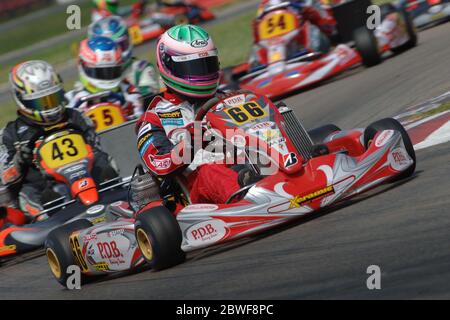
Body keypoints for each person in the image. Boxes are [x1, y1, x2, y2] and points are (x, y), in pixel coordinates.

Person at [135, 25, 256, 206]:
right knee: (210, 171)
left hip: (246, 164)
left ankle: (297, 168)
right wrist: (190, 142)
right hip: (199, 190)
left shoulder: (228, 98)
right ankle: (247, 196)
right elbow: (157, 163)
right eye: (193, 67)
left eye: (207, 65)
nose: (203, 73)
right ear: (169, 67)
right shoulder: (154, 118)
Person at [0, 60, 118, 220]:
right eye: (41, 102)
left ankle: (117, 199)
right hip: (45, 190)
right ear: (23, 100)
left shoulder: (76, 116)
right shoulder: (11, 133)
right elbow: (6, 179)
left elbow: (97, 149)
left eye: (53, 98)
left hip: (86, 177)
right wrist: (20, 160)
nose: (49, 107)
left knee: (105, 164)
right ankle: (48, 226)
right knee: (30, 194)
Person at [66, 36, 144, 120]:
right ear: (83, 65)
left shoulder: (130, 92)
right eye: (100, 72)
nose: (106, 76)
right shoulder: (72, 98)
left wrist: (126, 110)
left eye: (111, 71)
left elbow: (139, 118)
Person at [87, 15, 161, 98]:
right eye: (108, 51)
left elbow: (149, 100)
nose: (116, 54)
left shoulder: (140, 69)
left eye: (120, 46)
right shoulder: (91, 75)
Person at [250, 0, 338, 67]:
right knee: (257, 47)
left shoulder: (308, 1)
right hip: (274, 46)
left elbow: (331, 28)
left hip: (302, 44)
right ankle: (261, 64)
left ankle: (315, 55)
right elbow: (260, 32)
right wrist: (256, 27)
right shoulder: (266, 4)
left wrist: (312, 14)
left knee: (308, 27)